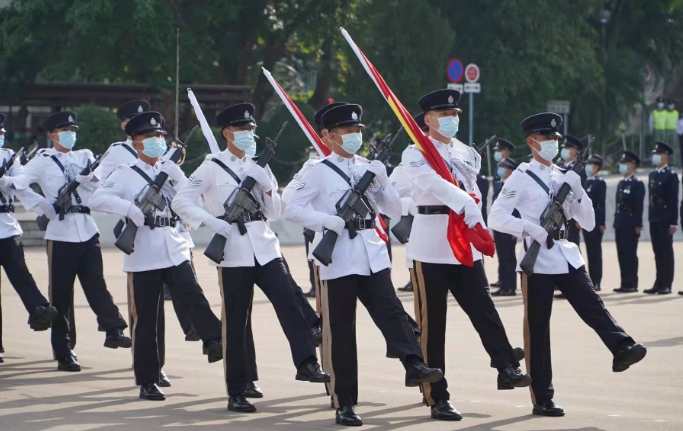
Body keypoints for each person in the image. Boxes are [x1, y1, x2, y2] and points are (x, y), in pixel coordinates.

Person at [284, 103, 443, 426]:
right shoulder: (316, 170)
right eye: (347, 131)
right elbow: (290, 207)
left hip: (372, 254)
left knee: (393, 313)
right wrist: (327, 220)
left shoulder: (370, 167)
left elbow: (394, 210)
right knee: (342, 334)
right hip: (338, 258)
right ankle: (345, 403)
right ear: (327, 136)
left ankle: (413, 364)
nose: (355, 135)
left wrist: (383, 184)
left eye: (358, 130)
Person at [172, 103, 328, 413]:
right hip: (233, 252)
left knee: (290, 303)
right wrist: (212, 222)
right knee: (237, 323)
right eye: (243, 130)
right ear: (228, 133)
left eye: (252, 129)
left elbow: (275, 212)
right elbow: (181, 200)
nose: (249, 134)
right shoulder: (211, 166)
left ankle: (306, 363)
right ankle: (238, 389)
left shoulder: (260, 165)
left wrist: (267, 183)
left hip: (265, 246)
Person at [489, 112, 647, 417]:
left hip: (566, 254)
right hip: (537, 261)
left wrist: (578, 189)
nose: (552, 144)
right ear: (531, 141)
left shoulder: (565, 175)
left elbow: (587, 223)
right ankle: (542, 397)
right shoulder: (520, 176)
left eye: (555, 139)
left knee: (593, 306)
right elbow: (496, 216)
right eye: (546, 139)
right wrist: (530, 228)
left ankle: (622, 348)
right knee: (538, 331)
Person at [402, 89, 530, 421]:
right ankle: (437, 397)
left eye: (455, 114)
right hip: (431, 242)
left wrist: (473, 214)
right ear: (428, 119)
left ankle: (506, 366)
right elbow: (432, 184)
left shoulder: (467, 152)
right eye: (444, 114)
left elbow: (472, 189)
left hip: (463, 242)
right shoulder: (415, 152)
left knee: (483, 308)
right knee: (434, 327)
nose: (452, 119)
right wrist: (466, 204)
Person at [89, 111, 223, 401]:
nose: (157, 141)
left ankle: (214, 339)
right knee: (147, 320)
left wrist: (178, 174)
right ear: (136, 144)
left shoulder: (173, 172)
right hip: (144, 253)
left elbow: (192, 201)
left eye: (160, 136)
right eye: (150, 137)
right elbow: (96, 198)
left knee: (193, 295)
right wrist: (129, 209)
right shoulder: (124, 173)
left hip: (173, 246)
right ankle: (148, 380)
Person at [4, 111, 130, 372]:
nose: (70, 134)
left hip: (87, 230)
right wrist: (43, 206)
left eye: (73, 129)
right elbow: (21, 182)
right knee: (61, 297)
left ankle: (114, 328)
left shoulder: (86, 156)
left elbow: (102, 184)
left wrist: (92, 179)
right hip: (60, 235)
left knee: (97, 284)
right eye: (64, 130)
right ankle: (64, 351)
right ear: (52, 135)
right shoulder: (42, 160)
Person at [97, 100, 198, 387]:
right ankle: (150, 372)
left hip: (171, 233)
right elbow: (99, 184)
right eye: (138, 123)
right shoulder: (118, 153)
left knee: (185, 291)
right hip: (139, 233)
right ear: (127, 127)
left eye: (157, 131)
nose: (153, 135)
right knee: (147, 315)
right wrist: (127, 207)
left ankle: (195, 333)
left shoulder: (164, 153)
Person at [0, 114, 59, 363]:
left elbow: (22, 187)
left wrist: (46, 207)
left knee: (22, 277)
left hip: (6, 227)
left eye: (1, 131)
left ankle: (39, 310)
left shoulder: (7, 156)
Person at [644, 142, 679, 295]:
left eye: (658, 154)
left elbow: (673, 200)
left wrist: (673, 222)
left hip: (665, 218)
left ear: (666, 156)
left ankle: (667, 284)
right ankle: (658, 282)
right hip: (654, 217)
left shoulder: (670, 175)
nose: (655, 156)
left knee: (666, 251)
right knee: (657, 251)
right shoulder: (653, 174)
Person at [613, 151, 645, 293]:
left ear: (632, 165)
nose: (622, 166)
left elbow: (639, 206)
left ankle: (632, 283)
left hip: (631, 224)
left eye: (625, 163)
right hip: (620, 223)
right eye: (622, 163)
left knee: (630, 254)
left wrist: (638, 224)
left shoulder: (637, 184)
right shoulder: (620, 183)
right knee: (622, 254)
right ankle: (624, 282)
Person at [489, 138, 515, 289]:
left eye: (500, 151)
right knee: (501, 254)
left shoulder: (514, 181)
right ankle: (503, 281)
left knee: (508, 255)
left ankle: (509, 285)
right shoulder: (499, 179)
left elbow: (516, 206)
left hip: (508, 223)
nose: (497, 154)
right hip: (499, 222)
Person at [582, 155, 607, 291]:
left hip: (596, 222)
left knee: (595, 252)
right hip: (586, 222)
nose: (588, 166)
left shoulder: (599, 182)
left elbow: (600, 205)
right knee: (589, 252)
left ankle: (597, 281)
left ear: (596, 167)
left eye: (591, 164)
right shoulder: (586, 182)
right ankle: (591, 280)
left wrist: (601, 222)